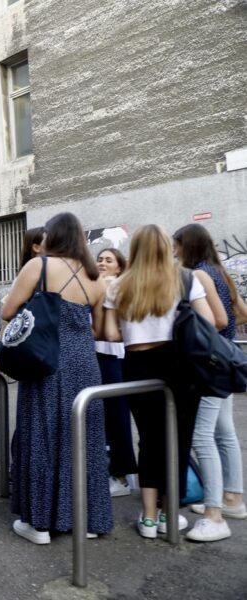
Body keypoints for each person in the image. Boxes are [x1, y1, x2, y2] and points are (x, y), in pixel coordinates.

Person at [3, 212, 111, 544]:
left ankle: (39, 524)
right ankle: (87, 520)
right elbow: (99, 330)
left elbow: (7, 311)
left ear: (54, 235)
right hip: (85, 364)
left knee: (42, 437)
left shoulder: (39, 266)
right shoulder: (96, 277)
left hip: (45, 362)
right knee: (84, 440)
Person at [104, 224, 214, 539]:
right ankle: (169, 513)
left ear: (134, 250)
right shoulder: (185, 279)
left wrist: (133, 329)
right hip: (180, 364)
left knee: (149, 440)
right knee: (178, 440)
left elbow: (110, 334)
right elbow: (208, 322)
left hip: (137, 364)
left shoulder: (118, 285)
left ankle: (149, 517)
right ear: (167, 248)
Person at [173, 224, 247, 541]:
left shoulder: (199, 275)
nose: (174, 251)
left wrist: (201, 336)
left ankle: (216, 512)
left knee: (202, 436)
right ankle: (232, 497)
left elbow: (217, 319)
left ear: (188, 245)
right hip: (225, 359)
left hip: (209, 364)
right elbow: (240, 314)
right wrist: (224, 336)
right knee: (224, 432)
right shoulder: (220, 272)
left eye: (177, 245)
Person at [95, 248, 138, 498]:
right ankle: (117, 471)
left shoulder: (118, 286)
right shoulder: (99, 284)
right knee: (105, 416)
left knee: (117, 416)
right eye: (100, 259)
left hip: (114, 356)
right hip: (99, 354)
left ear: (119, 267)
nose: (102, 263)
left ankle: (121, 475)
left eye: (108, 260)